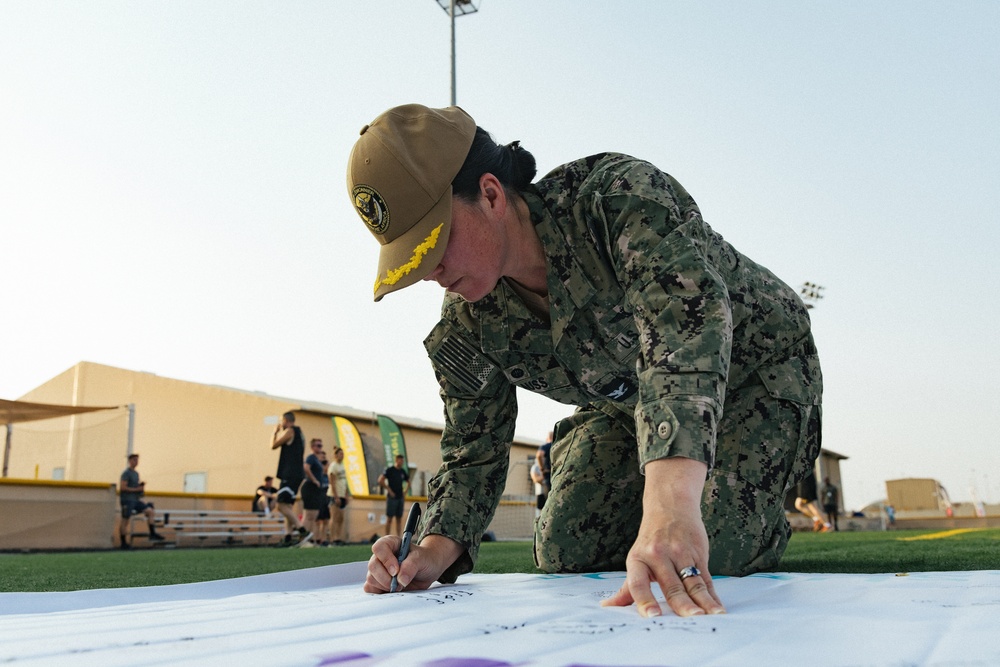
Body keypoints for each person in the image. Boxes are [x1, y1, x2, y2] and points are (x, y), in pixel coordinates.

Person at [348, 104, 822, 618]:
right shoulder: (468, 320)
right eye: (412, 257)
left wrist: (670, 505)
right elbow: (472, 449)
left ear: (490, 194)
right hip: (632, 409)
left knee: (714, 547)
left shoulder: (616, 200)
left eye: (435, 240)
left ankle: (746, 499)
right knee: (565, 547)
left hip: (757, 376)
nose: (429, 271)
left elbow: (684, 339)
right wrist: (431, 551)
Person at [270, 411, 312, 546]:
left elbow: (273, 445)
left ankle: (302, 530)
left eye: (282, 421)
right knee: (287, 505)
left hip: (290, 474)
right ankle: (287, 537)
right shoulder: (300, 433)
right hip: (296, 474)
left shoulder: (290, 431)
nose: (281, 423)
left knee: (280, 505)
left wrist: (274, 432)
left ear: (286, 420)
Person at [118, 453, 166, 548]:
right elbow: (123, 487)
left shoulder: (136, 474)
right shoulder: (126, 473)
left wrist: (140, 488)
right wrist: (136, 489)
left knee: (150, 511)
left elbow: (136, 488)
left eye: (137, 460)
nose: (136, 462)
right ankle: (123, 543)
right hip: (127, 500)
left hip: (135, 500)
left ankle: (152, 534)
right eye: (134, 460)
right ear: (130, 461)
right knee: (125, 520)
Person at [300, 438, 328, 545]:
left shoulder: (317, 459)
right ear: (312, 447)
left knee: (314, 514)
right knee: (308, 514)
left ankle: (309, 539)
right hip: (310, 487)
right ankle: (303, 539)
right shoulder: (311, 457)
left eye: (321, 446)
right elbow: (306, 468)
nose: (320, 448)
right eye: (318, 446)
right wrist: (314, 480)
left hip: (316, 490)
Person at [377, 454, 409, 536]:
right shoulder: (390, 470)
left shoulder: (402, 472)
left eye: (402, 460)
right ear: (396, 460)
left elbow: (408, 482)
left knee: (399, 519)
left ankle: (399, 537)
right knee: (389, 518)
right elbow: (380, 480)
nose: (401, 462)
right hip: (392, 497)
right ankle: (386, 536)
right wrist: (389, 490)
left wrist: (404, 492)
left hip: (400, 498)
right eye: (400, 460)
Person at [327, 446, 351, 545]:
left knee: (341, 518)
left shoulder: (343, 466)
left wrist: (346, 494)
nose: (342, 455)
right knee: (334, 516)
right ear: (336, 455)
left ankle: (338, 537)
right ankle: (332, 538)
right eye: (340, 453)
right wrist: (336, 496)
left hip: (342, 495)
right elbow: (332, 482)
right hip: (334, 495)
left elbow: (345, 482)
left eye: (343, 454)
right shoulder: (333, 466)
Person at [315, 446, 332, 545]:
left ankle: (323, 539)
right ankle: (316, 538)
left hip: (326, 499)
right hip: (318, 499)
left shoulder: (328, 477)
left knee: (325, 520)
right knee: (317, 520)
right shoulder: (317, 475)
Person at [535, 431, 552, 497]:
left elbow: (539, 455)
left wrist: (542, 468)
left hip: (548, 475)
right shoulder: (559, 446)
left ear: (548, 438)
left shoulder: (546, 446)